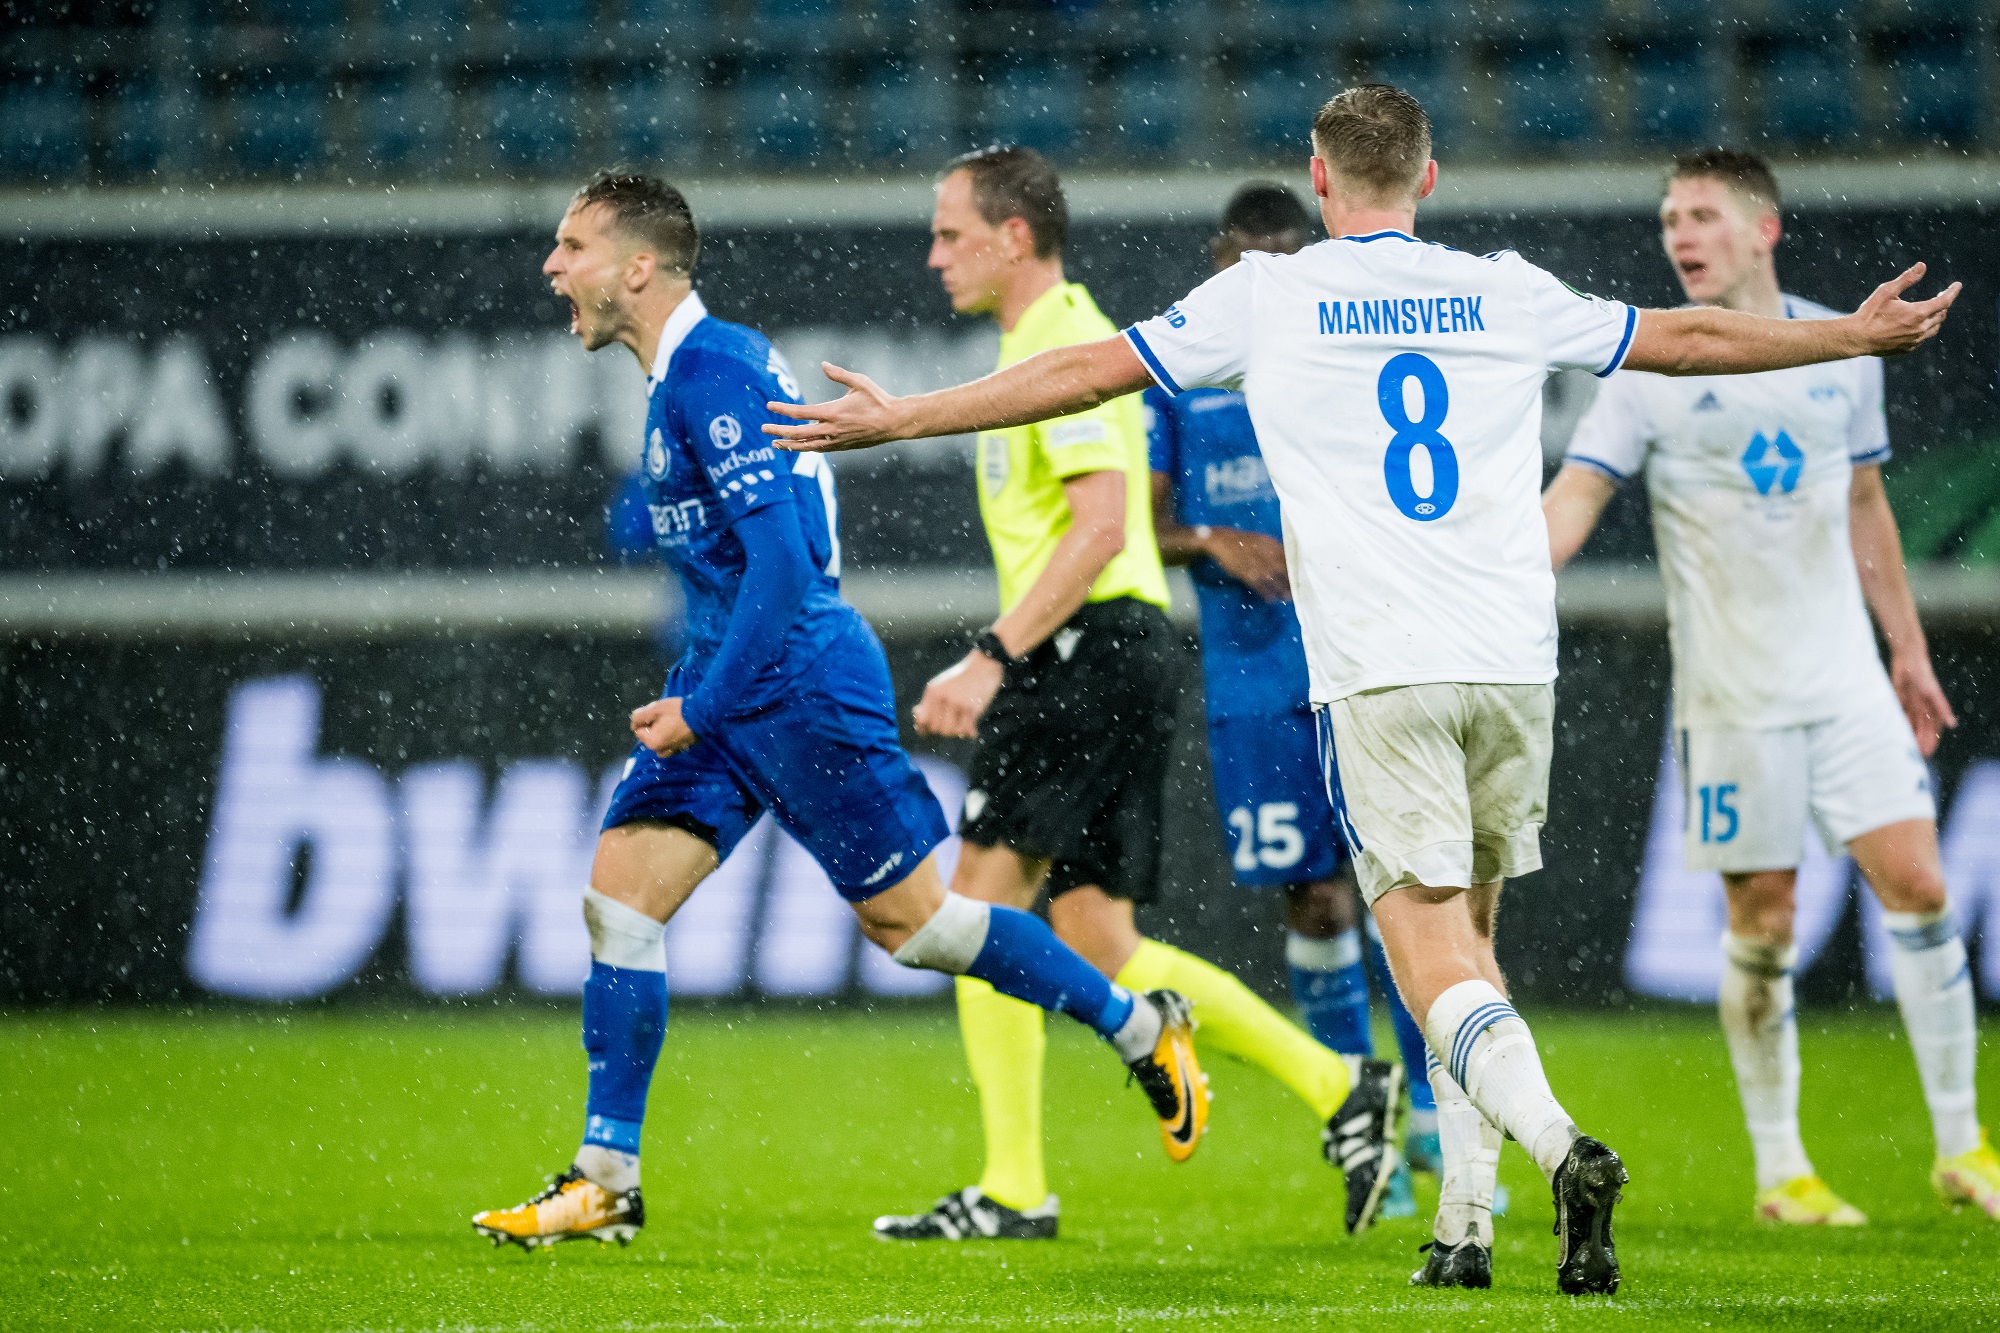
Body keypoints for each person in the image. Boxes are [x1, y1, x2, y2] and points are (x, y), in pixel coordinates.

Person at [762, 86, 1957, 1295]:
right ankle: (1465, 1227)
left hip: (1384, 671)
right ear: (1428, 179)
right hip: (1509, 663)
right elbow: (1682, 337)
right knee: (1472, 950)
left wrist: (902, 417)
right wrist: (1846, 337)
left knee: (1429, 961)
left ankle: (1560, 1148)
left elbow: (1084, 374)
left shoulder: (1268, 293)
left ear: (1319, 183)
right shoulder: (1499, 284)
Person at [469, 171, 1209, 1251]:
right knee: (620, 904)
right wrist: (705, 693)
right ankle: (606, 1177)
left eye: (570, 246)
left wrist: (701, 706)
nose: (551, 266)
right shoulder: (688, 372)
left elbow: (782, 564)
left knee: (924, 929)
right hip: (732, 678)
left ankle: (1141, 1025)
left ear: (637, 265)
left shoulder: (710, 373)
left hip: (798, 682)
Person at [871, 146, 1403, 1245]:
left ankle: (1016, 1185)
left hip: (1079, 651)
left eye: (948, 232)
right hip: (1114, 654)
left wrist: (992, 654)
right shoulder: (1050, 333)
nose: (932, 256)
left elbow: (1104, 525)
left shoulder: (1061, 341)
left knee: (965, 913)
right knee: (1097, 940)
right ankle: (1337, 1085)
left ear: (1011, 236)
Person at [1544, 148, 2000, 1227]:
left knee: (1922, 889)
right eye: (1666, 218)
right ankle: (1780, 1171)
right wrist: (1501, 576)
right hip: (1729, 698)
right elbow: (1571, 501)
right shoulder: (1644, 365)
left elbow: (1862, 506)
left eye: (1700, 214)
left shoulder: (1842, 347)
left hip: (1841, 679)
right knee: (1764, 919)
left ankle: (1962, 1145)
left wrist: (1906, 650)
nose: (1678, 235)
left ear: (1762, 229)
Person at [1147, 180, 1492, 1222]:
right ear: (1217, 259)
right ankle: (1365, 1124)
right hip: (1251, 680)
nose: (1261, 276)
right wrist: (1211, 540)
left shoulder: (1340, 367)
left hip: (1357, 660)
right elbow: (1139, 524)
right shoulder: (1178, 380)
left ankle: (1434, 1114)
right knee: (1316, 898)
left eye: (1282, 258)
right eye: (1243, 259)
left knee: (1395, 896)